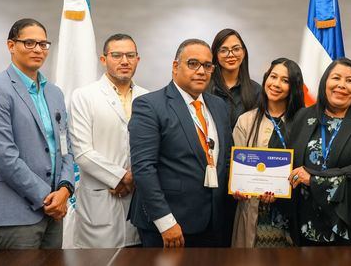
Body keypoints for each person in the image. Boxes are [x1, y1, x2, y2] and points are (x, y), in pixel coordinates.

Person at [0, 18, 75, 249]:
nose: (38, 49)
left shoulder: (54, 93)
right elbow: (4, 157)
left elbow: (66, 147)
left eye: (43, 44)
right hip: (15, 215)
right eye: (29, 43)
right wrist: (47, 197)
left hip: (53, 213)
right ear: (11, 46)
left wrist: (65, 189)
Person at [128, 38, 233, 248]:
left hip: (214, 224)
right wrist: (166, 223)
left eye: (207, 65)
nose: (201, 71)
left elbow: (225, 159)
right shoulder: (149, 106)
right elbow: (143, 169)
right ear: (175, 67)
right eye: (193, 63)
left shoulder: (219, 105)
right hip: (169, 227)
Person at [287, 58, 351, 246]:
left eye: (350, 80)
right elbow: (290, 161)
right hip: (307, 224)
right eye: (336, 78)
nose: (342, 85)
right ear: (325, 82)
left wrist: (315, 178)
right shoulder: (303, 115)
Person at [69, 34, 148, 248]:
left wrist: (134, 179)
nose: (125, 61)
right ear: (103, 60)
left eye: (130, 55)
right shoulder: (84, 96)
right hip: (100, 201)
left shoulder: (148, 98)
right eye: (117, 55)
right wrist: (123, 177)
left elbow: (153, 151)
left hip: (138, 200)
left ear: (137, 60)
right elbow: (82, 152)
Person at [231, 58, 305, 248]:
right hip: (255, 216)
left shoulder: (304, 122)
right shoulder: (246, 121)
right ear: (265, 79)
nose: (276, 84)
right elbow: (234, 168)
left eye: (285, 80)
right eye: (273, 77)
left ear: (294, 87)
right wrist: (237, 189)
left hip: (294, 216)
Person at [209, 28, 260, 126]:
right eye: (223, 50)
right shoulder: (204, 88)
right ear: (215, 55)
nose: (231, 55)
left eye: (236, 49)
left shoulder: (256, 91)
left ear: (244, 52)